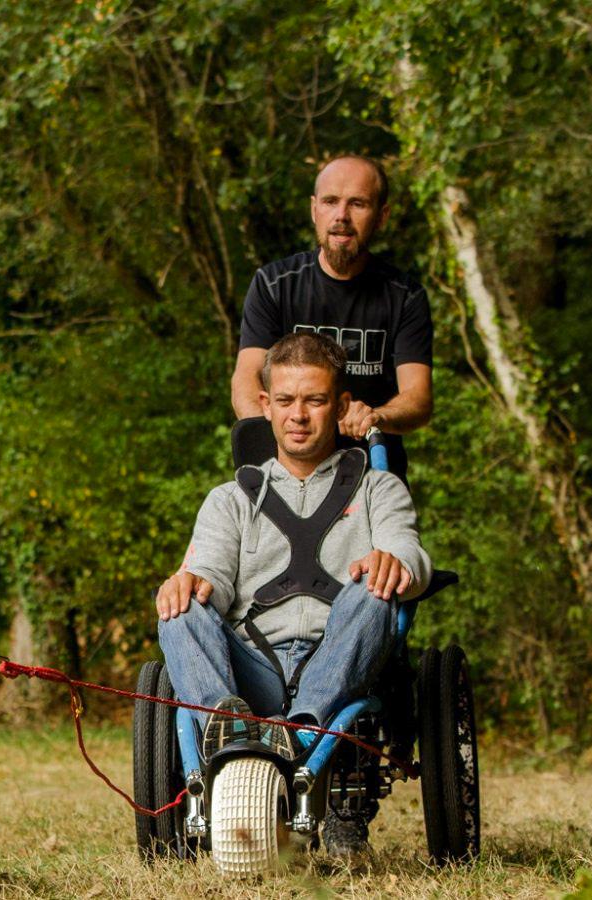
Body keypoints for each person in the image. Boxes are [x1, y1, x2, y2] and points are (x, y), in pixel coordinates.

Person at [153, 332, 432, 856]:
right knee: (178, 603)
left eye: (315, 400)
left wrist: (392, 562)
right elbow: (210, 570)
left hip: (341, 657)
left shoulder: (379, 489)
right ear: (266, 406)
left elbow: (411, 556)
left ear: (342, 405)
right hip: (251, 669)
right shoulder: (229, 500)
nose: (297, 415)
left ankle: (303, 730)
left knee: (375, 589)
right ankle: (228, 731)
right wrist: (190, 582)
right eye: (285, 401)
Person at [170, 153, 435, 608]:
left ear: (382, 215)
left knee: (377, 584)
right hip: (283, 467)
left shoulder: (404, 296)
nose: (342, 216)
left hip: (369, 468)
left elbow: (419, 398)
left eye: (358, 204)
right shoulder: (276, 285)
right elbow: (245, 379)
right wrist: (282, 437)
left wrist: (376, 415)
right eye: (331, 201)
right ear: (314, 208)